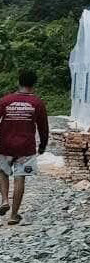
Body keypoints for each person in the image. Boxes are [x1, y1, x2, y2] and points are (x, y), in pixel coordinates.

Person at [0, 70, 50, 225]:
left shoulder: (6, 100)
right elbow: (43, 127)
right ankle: (14, 215)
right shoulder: (37, 103)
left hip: (5, 145)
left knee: (2, 172)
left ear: (18, 82)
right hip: (25, 148)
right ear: (34, 84)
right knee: (20, 178)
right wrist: (42, 145)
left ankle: (4, 200)